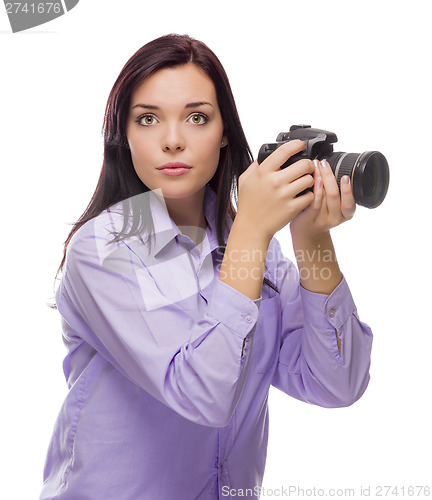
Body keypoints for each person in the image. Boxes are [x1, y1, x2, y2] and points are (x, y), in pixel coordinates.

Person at [40, 34, 373, 499]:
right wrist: (253, 233)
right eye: (148, 119)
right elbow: (201, 393)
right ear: (125, 137)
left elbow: (338, 383)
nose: (173, 140)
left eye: (197, 118)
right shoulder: (105, 248)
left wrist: (310, 236)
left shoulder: (252, 251)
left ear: (224, 137)